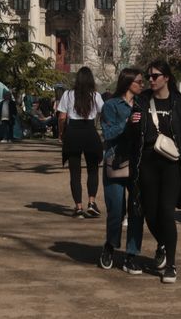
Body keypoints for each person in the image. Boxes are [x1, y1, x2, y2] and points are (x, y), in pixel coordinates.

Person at [131, 59, 181, 284]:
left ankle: (170, 264)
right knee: (150, 212)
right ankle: (163, 243)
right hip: (148, 163)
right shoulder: (142, 102)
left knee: (166, 212)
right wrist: (132, 123)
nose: (150, 80)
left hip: (172, 164)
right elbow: (133, 135)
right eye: (149, 76)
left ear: (166, 78)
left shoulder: (179, 104)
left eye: (155, 76)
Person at [98, 68, 145, 274]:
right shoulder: (111, 105)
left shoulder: (143, 105)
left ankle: (131, 254)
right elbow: (107, 133)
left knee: (137, 209)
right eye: (139, 82)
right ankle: (110, 246)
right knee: (116, 209)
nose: (142, 85)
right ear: (128, 83)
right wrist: (126, 124)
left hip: (138, 163)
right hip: (115, 161)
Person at [57, 66, 104, 218]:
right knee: (93, 169)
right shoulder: (95, 95)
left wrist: (61, 133)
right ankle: (91, 203)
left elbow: (62, 117)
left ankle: (78, 207)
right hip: (90, 132)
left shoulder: (68, 94)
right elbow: (104, 112)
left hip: (73, 134)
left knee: (75, 173)